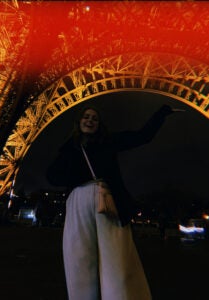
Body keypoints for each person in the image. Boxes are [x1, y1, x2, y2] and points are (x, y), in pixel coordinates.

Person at [46, 103, 174, 300]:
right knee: (79, 256)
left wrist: (160, 114)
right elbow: (52, 176)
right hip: (79, 201)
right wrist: (76, 177)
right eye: (86, 117)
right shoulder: (69, 149)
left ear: (99, 124)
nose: (90, 120)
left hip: (105, 198)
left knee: (114, 256)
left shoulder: (109, 141)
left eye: (94, 118)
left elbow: (143, 136)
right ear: (79, 121)